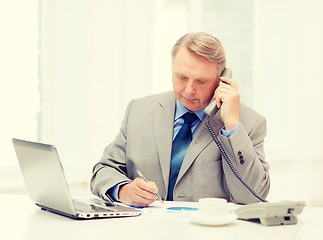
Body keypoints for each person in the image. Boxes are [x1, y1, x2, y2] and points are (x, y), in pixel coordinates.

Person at [90, 32, 270, 207]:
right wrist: (123, 190)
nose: (189, 90)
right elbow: (103, 170)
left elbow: (254, 196)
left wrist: (231, 124)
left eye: (201, 81)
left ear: (221, 80)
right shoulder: (139, 110)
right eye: (182, 77)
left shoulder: (249, 123)